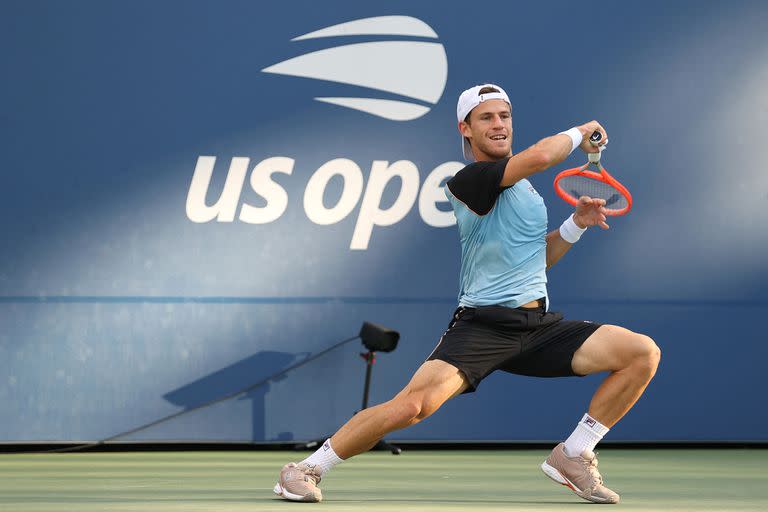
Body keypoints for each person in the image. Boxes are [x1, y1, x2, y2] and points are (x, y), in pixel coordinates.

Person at [273, 83, 661, 505]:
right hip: (483, 325)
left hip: (537, 325)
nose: (498, 125)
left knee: (641, 353)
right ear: (466, 129)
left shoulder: (526, 193)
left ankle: (573, 453)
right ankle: (305, 469)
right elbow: (544, 156)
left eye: (504, 116)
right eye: (486, 118)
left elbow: (536, 260)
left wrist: (577, 224)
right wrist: (581, 130)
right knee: (411, 408)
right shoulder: (471, 179)